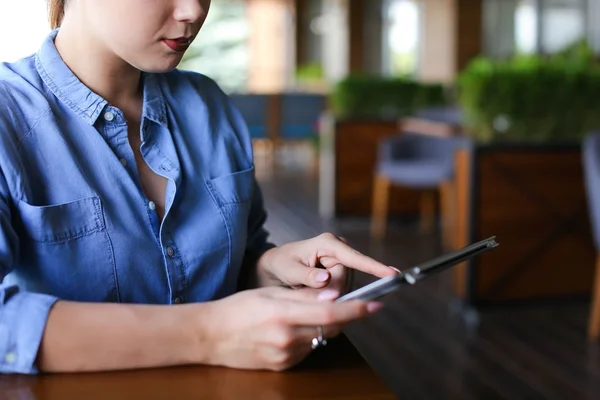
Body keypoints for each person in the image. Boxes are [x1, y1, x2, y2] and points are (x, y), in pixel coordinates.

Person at [0, 0, 397, 375]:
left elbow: (232, 262)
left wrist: (270, 270)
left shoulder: (209, 105)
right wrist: (207, 333)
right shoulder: (9, 117)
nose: (194, 10)